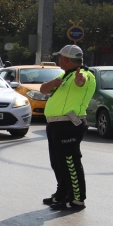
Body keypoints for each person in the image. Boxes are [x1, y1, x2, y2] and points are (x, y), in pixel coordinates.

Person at [39, 45, 95, 210]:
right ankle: (62, 194)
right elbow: (43, 90)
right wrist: (52, 83)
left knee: (70, 162)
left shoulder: (84, 74)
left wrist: (80, 81)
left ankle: (77, 199)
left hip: (69, 124)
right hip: (56, 124)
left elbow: (81, 81)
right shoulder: (65, 76)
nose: (58, 60)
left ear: (64, 59)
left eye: (59, 58)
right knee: (58, 163)